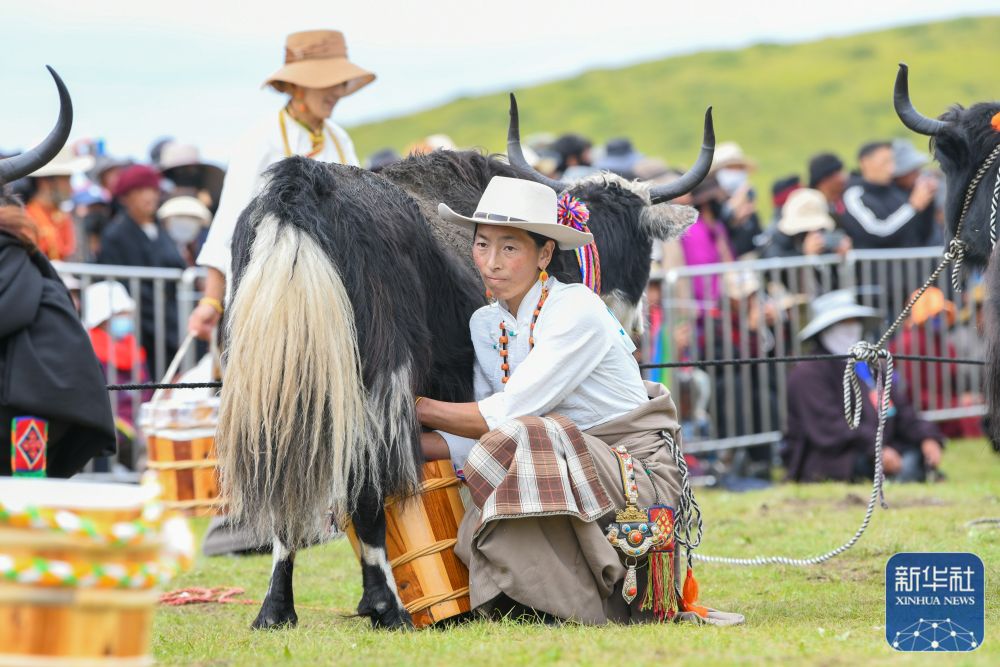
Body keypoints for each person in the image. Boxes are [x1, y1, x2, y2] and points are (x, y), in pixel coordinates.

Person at [415, 176, 742, 626]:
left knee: (533, 434)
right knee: (524, 440)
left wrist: (410, 408)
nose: (491, 263)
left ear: (545, 254)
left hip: (634, 479)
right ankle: (539, 599)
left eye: (510, 248)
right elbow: (486, 439)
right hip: (563, 461)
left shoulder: (577, 309)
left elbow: (506, 417)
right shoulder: (486, 325)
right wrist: (406, 442)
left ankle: (591, 595)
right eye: (482, 245)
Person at [189, 29, 375, 340]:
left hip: (335, 294)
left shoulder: (339, 139)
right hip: (271, 295)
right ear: (297, 86)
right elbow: (231, 221)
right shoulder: (262, 139)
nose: (337, 92)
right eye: (327, 82)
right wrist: (211, 298)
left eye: (340, 82)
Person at [0, 199, 116, 476]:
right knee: (23, 510)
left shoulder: (35, 280)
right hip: (31, 424)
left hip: (25, 425)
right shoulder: (38, 277)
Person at [784, 290, 944, 483]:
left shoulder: (871, 365)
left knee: (914, 454)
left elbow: (901, 410)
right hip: (836, 458)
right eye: (843, 323)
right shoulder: (807, 373)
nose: (851, 328)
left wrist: (927, 437)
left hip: (886, 446)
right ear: (825, 329)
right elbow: (830, 428)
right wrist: (876, 449)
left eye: (855, 321)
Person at [97, 164, 186, 378]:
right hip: (142, 326)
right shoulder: (115, 235)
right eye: (140, 191)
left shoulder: (163, 230)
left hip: (172, 320)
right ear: (125, 198)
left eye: (153, 190)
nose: (149, 197)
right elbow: (122, 285)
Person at [82, 280, 151, 469]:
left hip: (139, 428)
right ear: (104, 317)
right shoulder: (87, 350)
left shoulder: (133, 348)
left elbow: (146, 393)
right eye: (122, 314)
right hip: (109, 433)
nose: (127, 318)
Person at [839, 141, 937, 249]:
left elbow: (920, 235)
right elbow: (878, 232)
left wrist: (927, 203)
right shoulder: (853, 195)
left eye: (892, 162)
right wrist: (913, 207)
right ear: (865, 162)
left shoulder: (898, 192)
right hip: (874, 265)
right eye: (885, 162)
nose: (891, 168)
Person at [23, 146, 94, 261]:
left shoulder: (63, 217)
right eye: (66, 179)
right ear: (45, 182)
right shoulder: (26, 218)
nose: (70, 187)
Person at [710, 141, 761, 257]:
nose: (736, 172)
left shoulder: (749, 200)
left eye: (739, 168)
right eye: (730, 168)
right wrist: (732, 213)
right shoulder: (712, 203)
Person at [807, 152, 847, 217]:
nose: (843, 177)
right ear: (824, 180)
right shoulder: (810, 206)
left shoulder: (840, 201)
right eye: (837, 173)